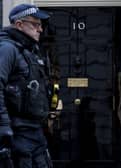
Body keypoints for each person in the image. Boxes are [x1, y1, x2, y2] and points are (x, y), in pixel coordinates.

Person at [0, 3, 53, 168]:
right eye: (35, 24)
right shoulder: (7, 49)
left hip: (34, 132)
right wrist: (3, 127)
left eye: (41, 25)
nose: (40, 29)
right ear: (19, 25)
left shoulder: (29, 50)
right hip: (17, 133)